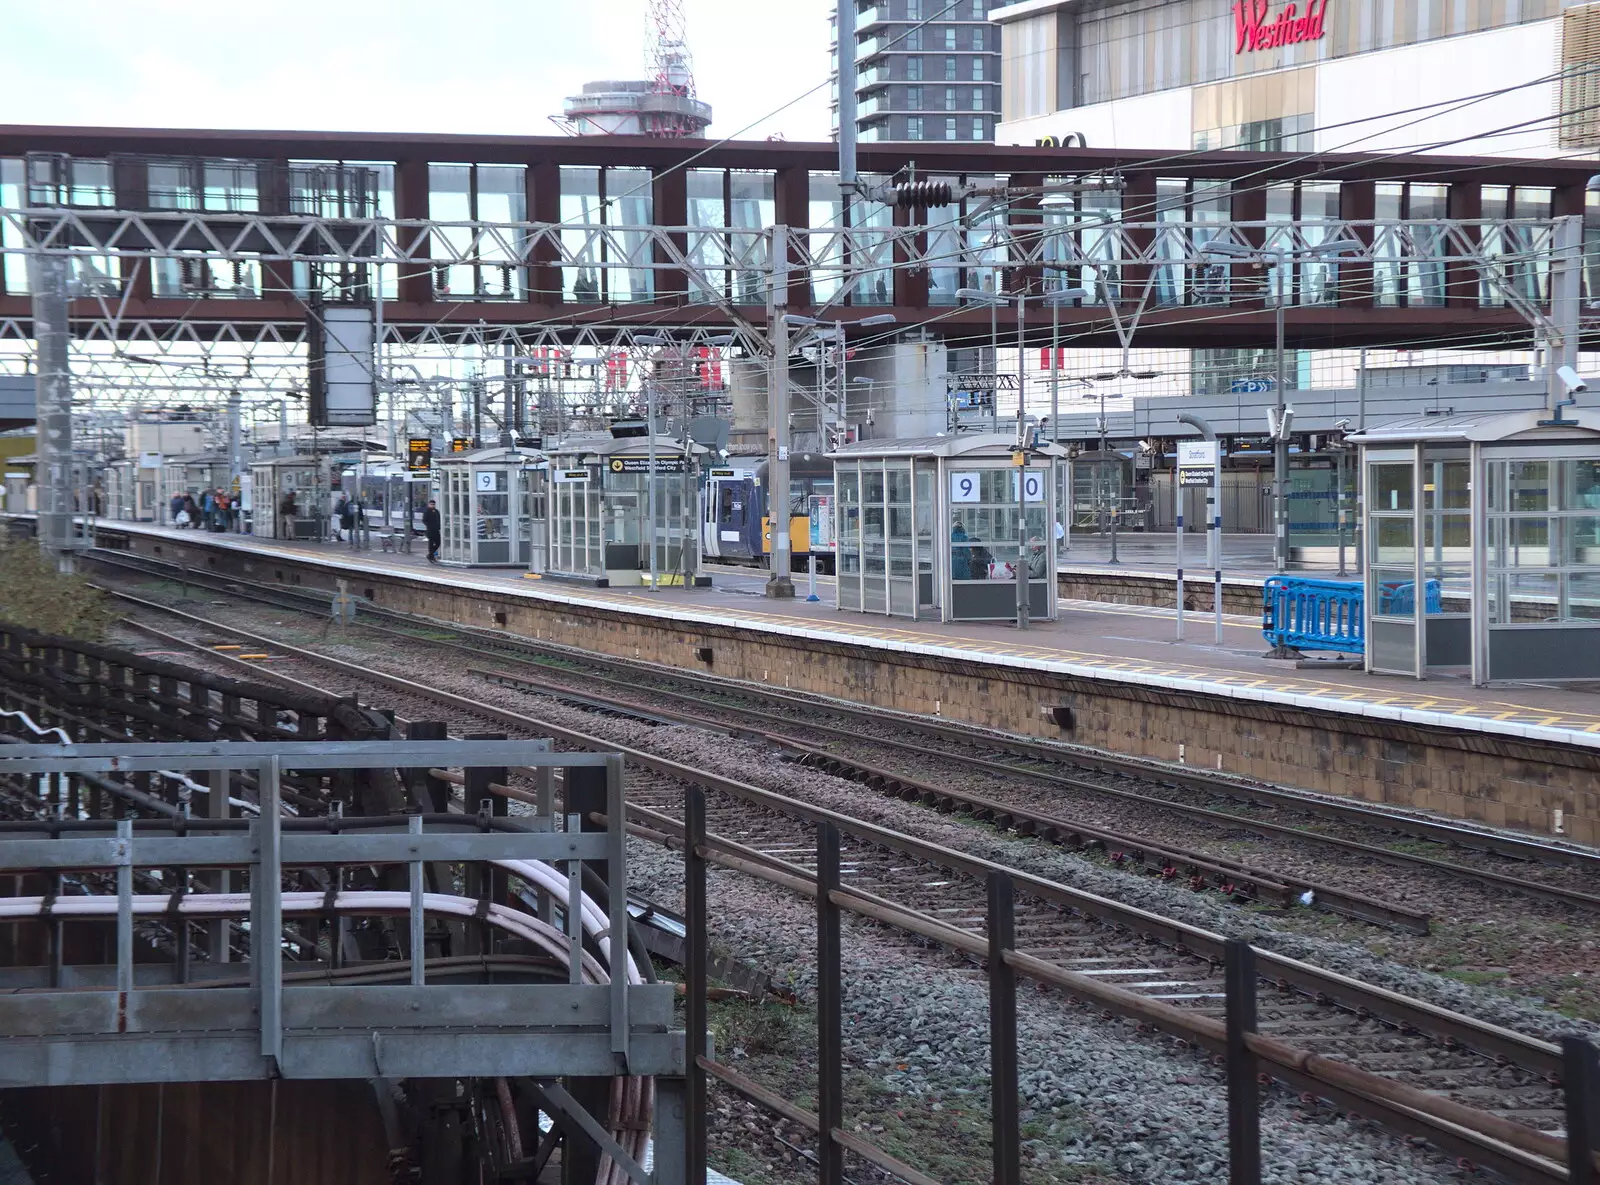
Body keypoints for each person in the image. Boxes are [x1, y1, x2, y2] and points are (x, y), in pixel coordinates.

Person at [422, 498, 442, 563]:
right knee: (431, 543)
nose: (433, 505)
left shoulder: (436, 511)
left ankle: (430, 555)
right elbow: (424, 520)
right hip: (430, 530)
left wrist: (439, 526)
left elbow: (439, 519)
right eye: (431, 504)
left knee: (438, 542)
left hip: (436, 530)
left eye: (433, 504)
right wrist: (429, 526)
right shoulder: (427, 511)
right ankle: (431, 556)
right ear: (429, 504)